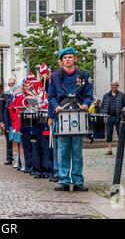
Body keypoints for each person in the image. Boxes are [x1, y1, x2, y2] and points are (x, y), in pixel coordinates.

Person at [48, 47, 93, 192]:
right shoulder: (55, 76)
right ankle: (64, 180)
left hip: (78, 114)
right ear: (61, 61)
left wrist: (86, 104)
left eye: (70, 57)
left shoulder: (84, 75)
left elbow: (88, 94)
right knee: (63, 149)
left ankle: (78, 180)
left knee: (77, 150)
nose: (68, 60)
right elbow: (51, 97)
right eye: (65, 58)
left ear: (75, 59)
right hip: (62, 115)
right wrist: (55, 107)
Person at [32, 63, 51, 179]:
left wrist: (47, 82)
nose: (42, 76)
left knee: (46, 145)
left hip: (45, 118)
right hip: (36, 118)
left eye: (44, 74)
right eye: (41, 74)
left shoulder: (50, 84)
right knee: (35, 145)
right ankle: (36, 169)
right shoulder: (34, 85)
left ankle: (46, 169)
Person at [100, 81, 125, 155]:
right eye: (112, 85)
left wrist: (123, 115)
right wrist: (103, 112)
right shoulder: (106, 95)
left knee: (120, 133)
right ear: (111, 86)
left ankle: (121, 149)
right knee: (109, 133)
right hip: (109, 117)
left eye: (115, 85)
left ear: (117, 86)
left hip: (118, 117)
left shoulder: (122, 95)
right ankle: (109, 149)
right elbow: (102, 106)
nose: (113, 87)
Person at [0, 78, 16, 165]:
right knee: (8, 140)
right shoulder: (4, 94)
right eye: (10, 84)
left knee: (15, 140)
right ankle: (9, 158)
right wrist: (1, 121)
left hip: (14, 121)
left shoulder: (17, 94)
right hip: (7, 121)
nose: (11, 86)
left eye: (13, 84)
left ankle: (16, 158)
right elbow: (1, 109)